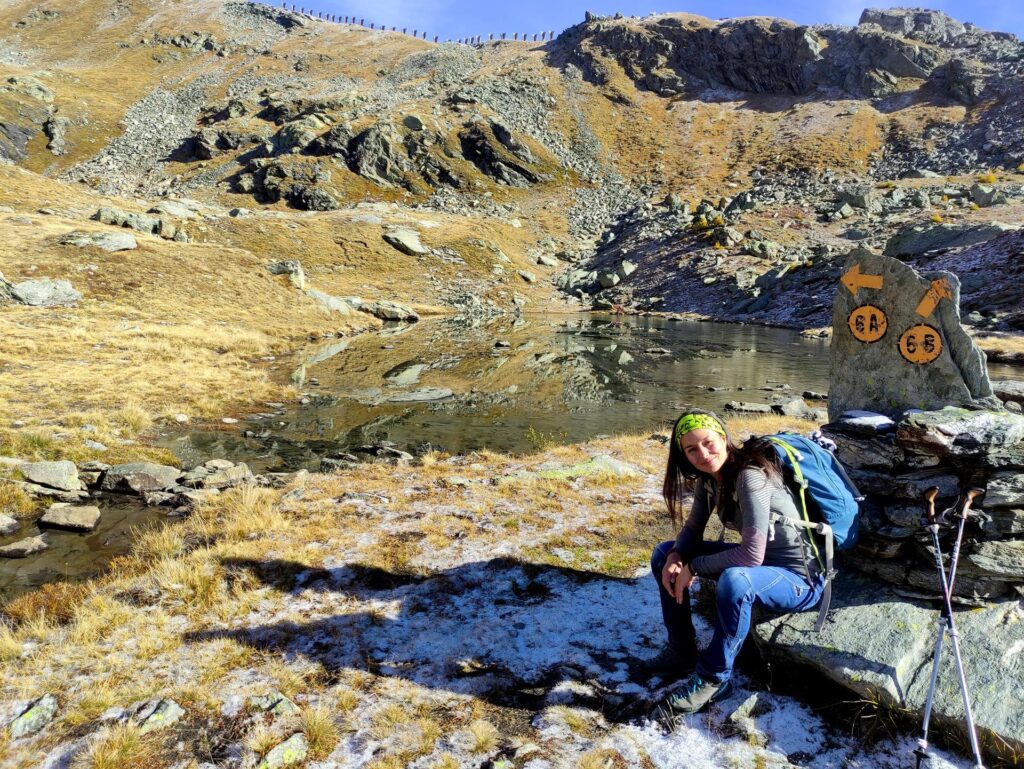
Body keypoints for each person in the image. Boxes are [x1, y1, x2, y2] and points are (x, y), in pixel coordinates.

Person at [645, 409, 826, 724]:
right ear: (683, 455)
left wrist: (695, 567)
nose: (702, 454)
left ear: (724, 438)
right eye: (691, 449)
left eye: (708, 442)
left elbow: (751, 555)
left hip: (800, 578)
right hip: (762, 565)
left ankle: (715, 678)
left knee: (736, 580)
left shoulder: (750, 475)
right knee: (663, 554)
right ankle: (681, 650)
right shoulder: (710, 479)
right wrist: (677, 557)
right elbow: (692, 529)